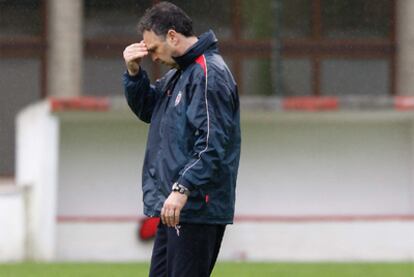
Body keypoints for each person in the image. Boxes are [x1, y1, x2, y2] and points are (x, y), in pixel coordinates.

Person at [122, 2, 241, 276]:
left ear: (173, 36)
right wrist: (133, 73)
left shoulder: (209, 73)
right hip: (175, 207)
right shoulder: (180, 74)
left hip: (195, 205)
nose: (152, 56)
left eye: (153, 49)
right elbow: (148, 109)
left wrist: (182, 189)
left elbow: (212, 142)